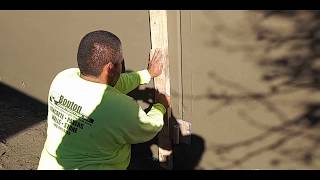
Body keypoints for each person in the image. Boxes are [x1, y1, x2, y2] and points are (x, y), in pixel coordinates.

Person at [38, 30, 170, 170]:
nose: (122, 67)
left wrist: (147, 74)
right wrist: (160, 106)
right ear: (110, 68)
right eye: (120, 63)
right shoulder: (120, 108)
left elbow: (113, 84)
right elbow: (150, 127)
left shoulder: (63, 78)